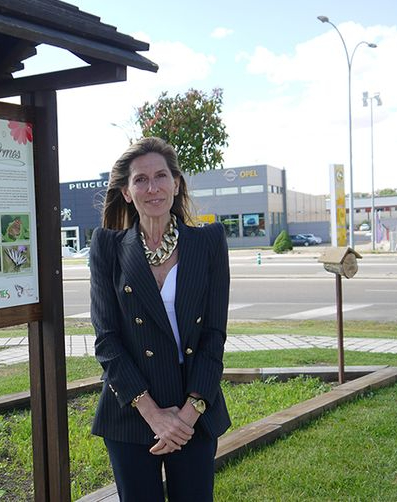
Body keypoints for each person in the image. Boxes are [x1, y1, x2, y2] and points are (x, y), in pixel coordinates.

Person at [89, 137, 231, 501]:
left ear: (177, 183)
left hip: (194, 409)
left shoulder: (209, 242)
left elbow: (213, 336)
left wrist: (187, 415)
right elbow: (107, 339)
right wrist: (153, 415)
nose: (152, 188)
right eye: (140, 179)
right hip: (132, 411)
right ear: (126, 191)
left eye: (161, 176)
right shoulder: (107, 247)